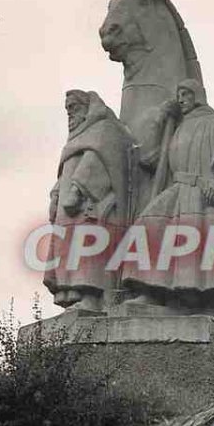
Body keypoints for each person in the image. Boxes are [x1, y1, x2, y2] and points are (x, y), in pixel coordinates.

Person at [122, 79, 214, 312]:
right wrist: (160, 119)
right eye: (179, 94)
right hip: (178, 190)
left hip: (205, 193)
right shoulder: (176, 128)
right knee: (148, 228)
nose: (181, 98)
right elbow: (149, 159)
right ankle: (153, 290)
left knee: (196, 248)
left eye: (186, 93)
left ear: (198, 96)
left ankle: (190, 299)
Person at [43, 89, 132, 313]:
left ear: (86, 108)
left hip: (90, 204)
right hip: (68, 208)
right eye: (67, 110)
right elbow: (65, 170)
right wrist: (56, 194)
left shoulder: (104, 130)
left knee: (88, 249)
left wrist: (77, 189)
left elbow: (94, 162)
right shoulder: (75, 137)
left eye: (73, 108)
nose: (70, 114)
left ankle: (92, 298)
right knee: (69, 248)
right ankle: (74, 296)